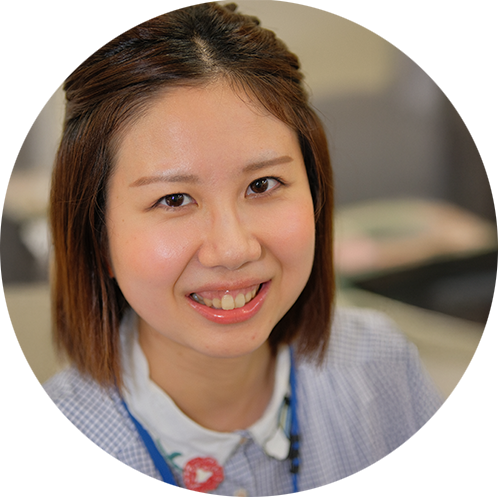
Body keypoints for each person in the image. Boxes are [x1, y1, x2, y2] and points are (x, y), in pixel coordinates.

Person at [44, 3, 443, 495]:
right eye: (174, 199)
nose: (232, 249)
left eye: (262, 185)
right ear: (98, 236)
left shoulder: (382, 366)